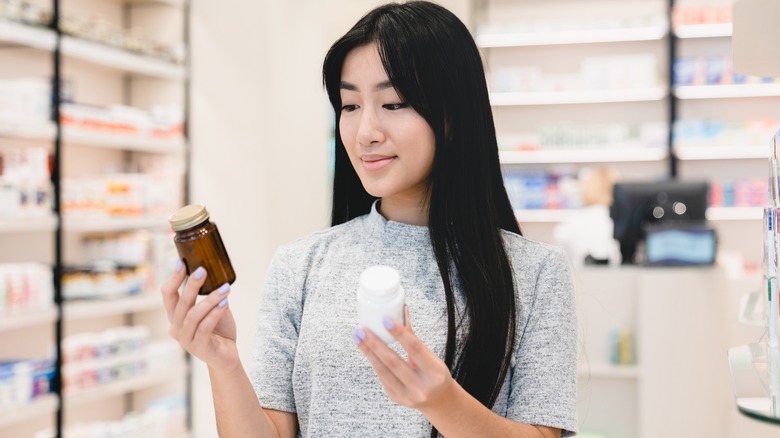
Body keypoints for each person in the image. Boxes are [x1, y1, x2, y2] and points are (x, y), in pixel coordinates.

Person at [161, 2, 577, 437]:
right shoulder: (301, 265)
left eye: (393, 103)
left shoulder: (534, 273)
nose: (365, 133)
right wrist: (222, 360)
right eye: (350, 105)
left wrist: (442, 402)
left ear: (454, 115)